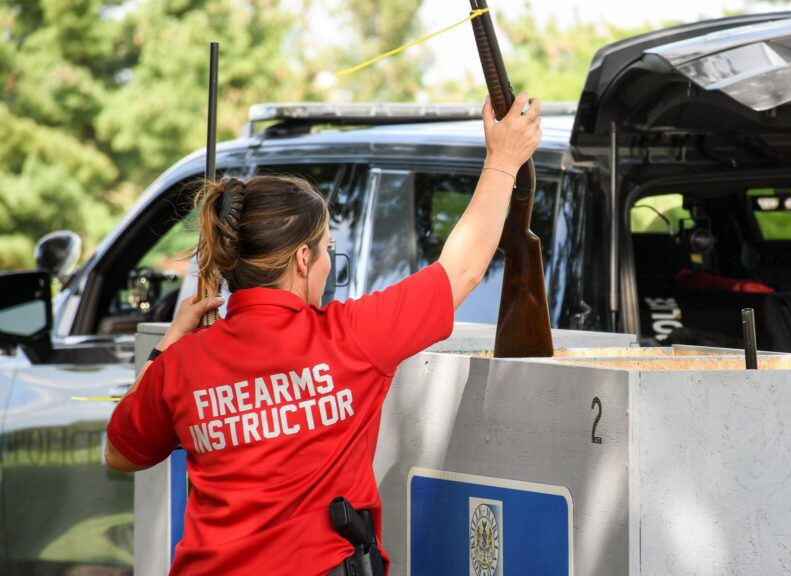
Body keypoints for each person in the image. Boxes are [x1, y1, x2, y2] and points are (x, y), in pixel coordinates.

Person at [104, 93, 542, 575]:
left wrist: (169, 343)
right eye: (328, 247)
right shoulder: (351, 337)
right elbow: (460, 270)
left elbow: (120, 452)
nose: (331, 262)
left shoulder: (181, 364)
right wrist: (503, 162)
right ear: (302, 259)